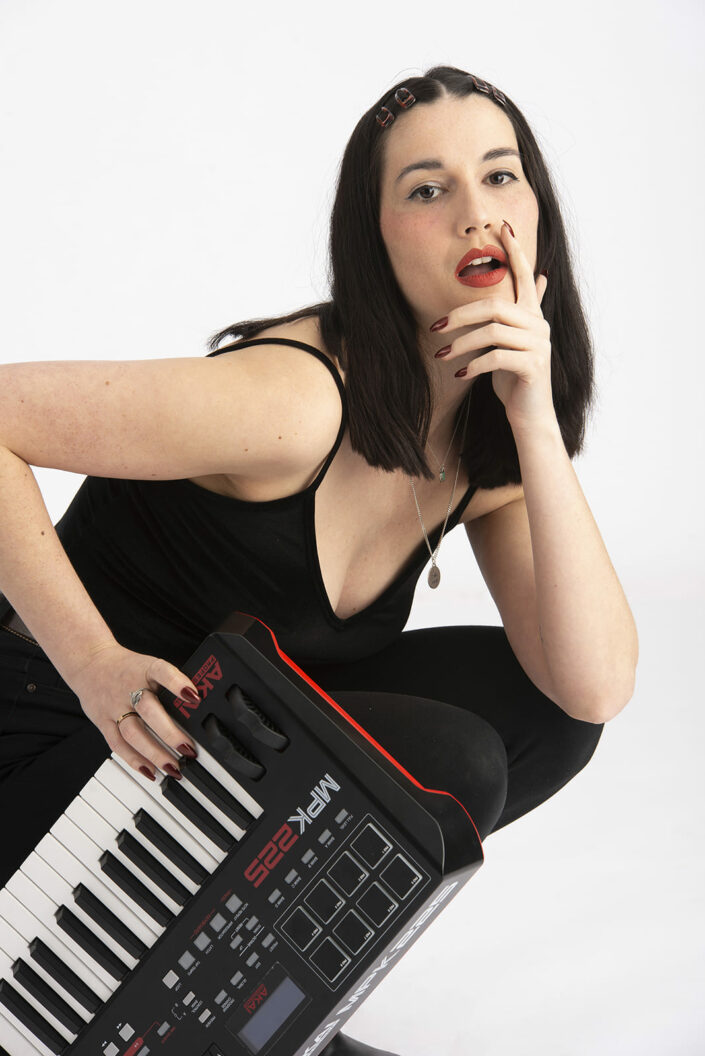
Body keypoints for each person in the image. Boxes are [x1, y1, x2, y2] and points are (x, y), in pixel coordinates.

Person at [0, 65, 638, 1056]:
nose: (479, 215)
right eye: (429, 189)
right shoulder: (290, 404)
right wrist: (93, 666)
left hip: (211, 753)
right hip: (56, 762)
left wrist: (534, 421)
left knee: (546, 720)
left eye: (502, 177)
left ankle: (259, 1010)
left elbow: (591, 685)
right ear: (375, 237)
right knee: (444, 760)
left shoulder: (483, 443)